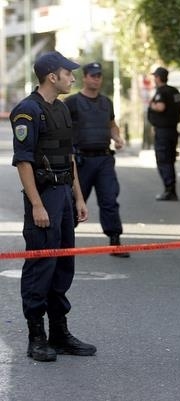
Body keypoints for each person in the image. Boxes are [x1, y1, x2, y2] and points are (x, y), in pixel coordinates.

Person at [10, 51, 97, 362]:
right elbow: (23, 161)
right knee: (40, 265)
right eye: (68, 72)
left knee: (63, 264)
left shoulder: (60, 109)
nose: (73, 77)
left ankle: (59, 332)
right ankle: (37, 336)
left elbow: (68, 156)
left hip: (63, 196)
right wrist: (36, 205)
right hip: (43, 195)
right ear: (51, 76)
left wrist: (78, 197)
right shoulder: (27, 111)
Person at [64, 62, 129, 258]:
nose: (96, 79)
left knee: (109, 199)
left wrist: (117, 137)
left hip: (103, 159)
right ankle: (64, 243)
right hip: (81, 160)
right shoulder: (72, 102)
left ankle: (115, 241)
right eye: (92, 75)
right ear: (84, 77)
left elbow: (112, 124)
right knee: (74, 201)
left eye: (99, 75)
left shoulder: (106, 102)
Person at [147, 66, 180, 201]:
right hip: (172, 130)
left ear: (158, 78)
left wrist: (151, 105)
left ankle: (169, 190)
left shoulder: (161, 92)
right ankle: (171, 189)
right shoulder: (174, 91)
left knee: (163, 160)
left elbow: (161, 106)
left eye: (154, 77)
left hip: (163, 132)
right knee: (169, 160)